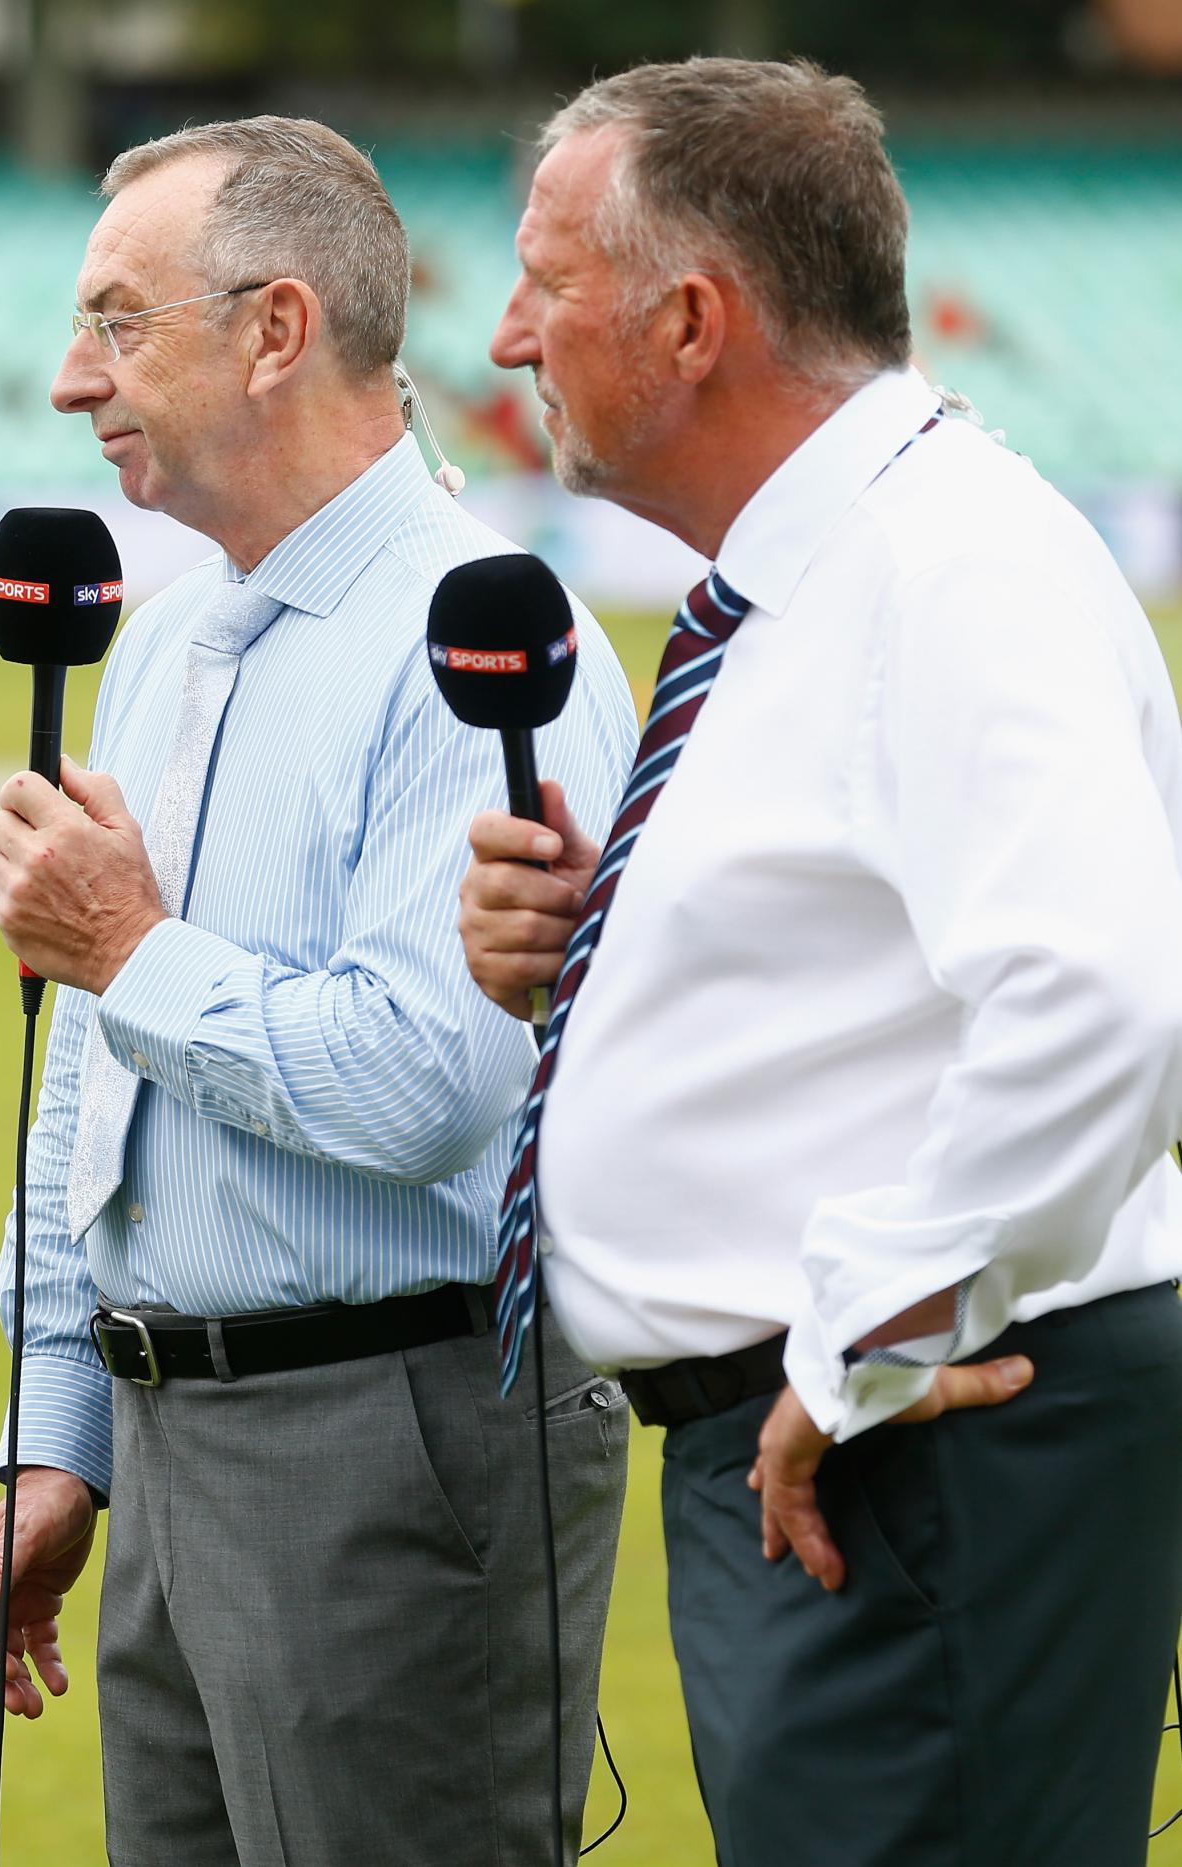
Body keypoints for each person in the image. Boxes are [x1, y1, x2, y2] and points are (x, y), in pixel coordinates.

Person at [457, 58, 1182, 1866]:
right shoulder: (833, 571)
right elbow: (860, 973)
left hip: (920, 1442)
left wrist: (873, 1324)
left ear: (692, 319)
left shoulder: (945, 569)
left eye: (548, 284)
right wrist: (593, 968)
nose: (506, 336)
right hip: (857, 1442)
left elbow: (1099, 993)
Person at [0, 117, 641, 1864]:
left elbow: (429, 1086)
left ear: (275, 329)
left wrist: (129, 947)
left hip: (390, 1434)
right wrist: (62, 1431)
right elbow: (96, 1082)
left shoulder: (489, 640)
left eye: (117, 321)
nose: (65, 378)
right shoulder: (172, 638)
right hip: (165, 1442)